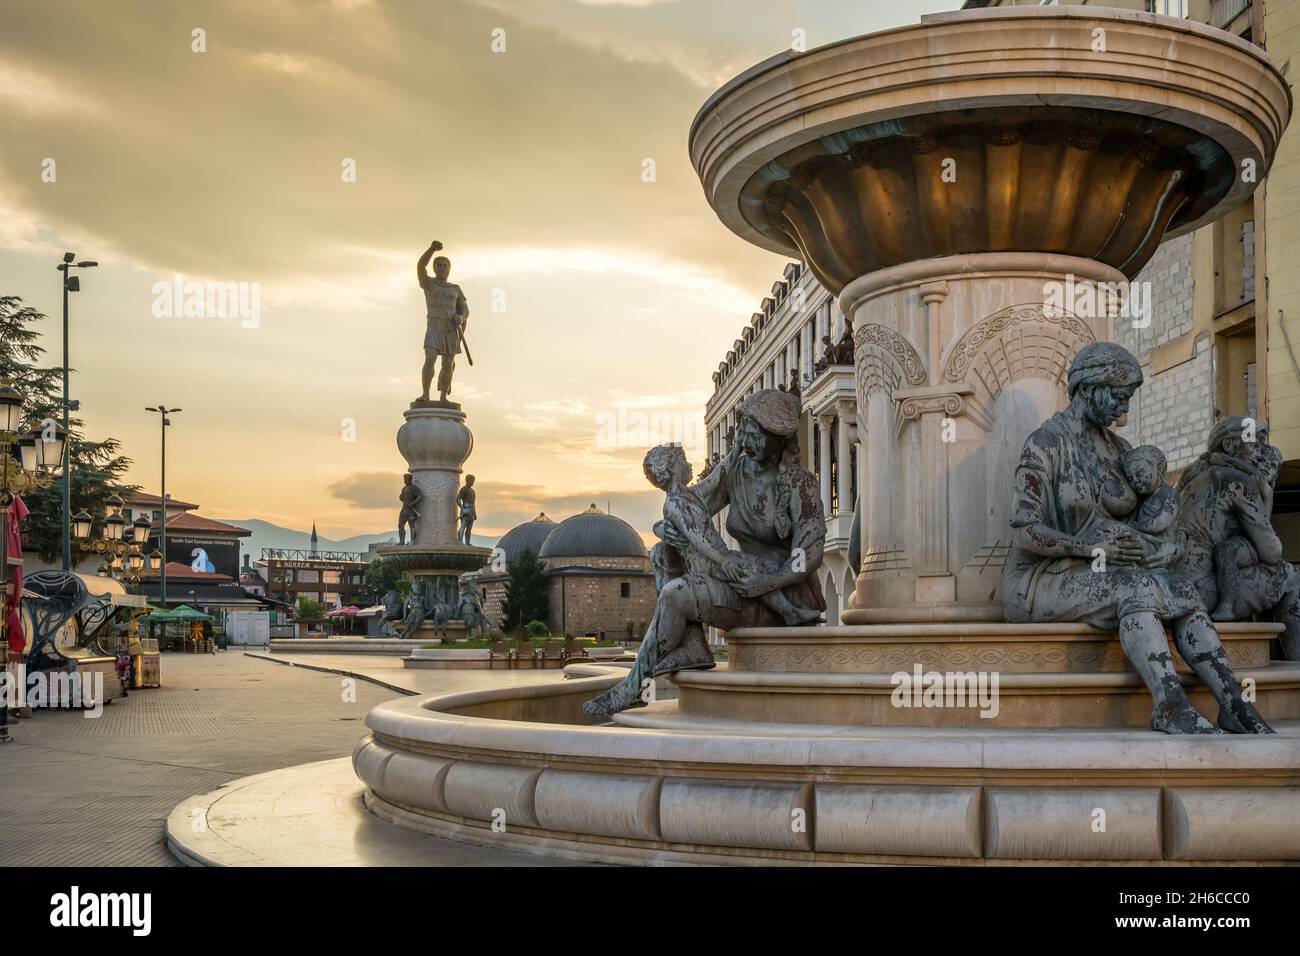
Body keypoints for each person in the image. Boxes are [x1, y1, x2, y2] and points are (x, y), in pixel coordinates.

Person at [1000, 342, 1271, 735]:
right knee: (1136, 587)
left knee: (1182, 587)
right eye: (1119, 396)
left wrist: (1159, 549)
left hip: (1107, 575)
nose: (1124, 410)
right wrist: (1091, 549)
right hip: (1040, 579)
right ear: (1089, 387)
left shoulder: (1122, 450)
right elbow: (1025, 530)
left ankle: (1232, 701)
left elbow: (1158, 527)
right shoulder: (1046, 443)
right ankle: (1170, 704)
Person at [584, 389, 825, 718]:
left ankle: (635, 686)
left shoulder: (800, 484)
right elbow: (689, 508)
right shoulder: (737, 474)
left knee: (674, 593)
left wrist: (766, 583)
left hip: (783, 595)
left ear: (777, 438)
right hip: (742, 583)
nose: (747, 442)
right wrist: (664, 529)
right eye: (745, 433)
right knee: (662, 553)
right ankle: (689, 646)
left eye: (755, 436)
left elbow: (808, 554)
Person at [642, 443, 821, 626]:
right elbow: (698, 538)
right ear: (672, 468)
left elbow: (716, 477)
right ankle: (790, 613)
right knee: (747, 572)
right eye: (684, 461)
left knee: (754, 569)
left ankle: (790, 612)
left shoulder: (690, 494)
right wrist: (724, 560)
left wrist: (736, 449)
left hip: (720, 556)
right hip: (708, 561)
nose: (690, 465)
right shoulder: (675, 504)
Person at [1175, 417, 1299, 657]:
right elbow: (1272, 552)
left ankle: (1263, 653)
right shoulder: (1237, 481)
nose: (1262, 453)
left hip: (1180, 589)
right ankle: (1295, 666)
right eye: (1256, 444)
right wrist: (1268, 494)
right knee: (1292, 577)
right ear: (1231, 446)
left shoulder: (1192, 480)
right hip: (1206, 593)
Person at [416, 240, 469, 403]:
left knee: (447, 363)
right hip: (434, 325)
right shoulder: (429, 284)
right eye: (438, 265)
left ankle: (443, 397)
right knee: (430, 358)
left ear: (449, 269)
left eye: (445, 266)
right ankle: (425, 394)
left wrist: (461, 317)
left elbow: (465, 309)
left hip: (450, 329)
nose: (442, 268)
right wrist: (432, 249)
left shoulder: (455, 289)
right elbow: (420, 267)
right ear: (434, 268)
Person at [456, 475, 477, 545]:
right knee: (463, 526)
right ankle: (460, 541)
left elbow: (473, 503)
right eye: (472, 481)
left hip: (472, 511)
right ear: (468, 480)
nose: (473, 482)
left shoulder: (473, 491)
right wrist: (462, 507)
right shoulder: (464, 489)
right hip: (466, 510)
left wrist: (475, 513)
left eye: (473, 481)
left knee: (469, 528)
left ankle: (468, 542)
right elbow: (458, 499)